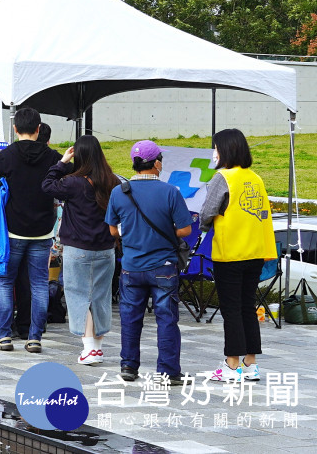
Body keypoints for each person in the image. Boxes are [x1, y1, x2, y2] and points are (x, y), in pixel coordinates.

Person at [106, 140, 193, 383]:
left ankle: (128, 367)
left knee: (130, 318)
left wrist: (133, 235)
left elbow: (113, 230)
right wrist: (163, 232)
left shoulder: (118, 192)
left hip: (131, 266)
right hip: (163, 267)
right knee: (166, 319)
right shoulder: (170, 192)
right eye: (161, 160)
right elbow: (185, 230)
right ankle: (168, 371)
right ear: (155, 164)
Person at [200, 128, 278, 383]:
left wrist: (205, 225)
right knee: (247, 307)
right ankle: (250, 364)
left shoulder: (223, 177)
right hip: (255, 252)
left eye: (216, 147)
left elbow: (206, 213)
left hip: (231, 253)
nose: (214, 152)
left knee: (231, 309)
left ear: (225, 150)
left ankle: (231, 366)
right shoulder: (255, 178)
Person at [0, 107, 60, 354]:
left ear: (15, 129)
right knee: (39, 284)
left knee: (5, 283)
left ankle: (4, 336)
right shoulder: (52, 157)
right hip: (43, 232)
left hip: (12, 232)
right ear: (39, 130)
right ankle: (34, 338)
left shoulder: (5, 156)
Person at [42, 135, 119, 366]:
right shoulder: (112, 181)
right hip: (106, 248)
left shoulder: (73, 183)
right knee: (100, 297)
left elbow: (46, 186)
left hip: (78, 248)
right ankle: (97, 347)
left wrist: (62, 162)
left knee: (78, 296)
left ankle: (88, 348)